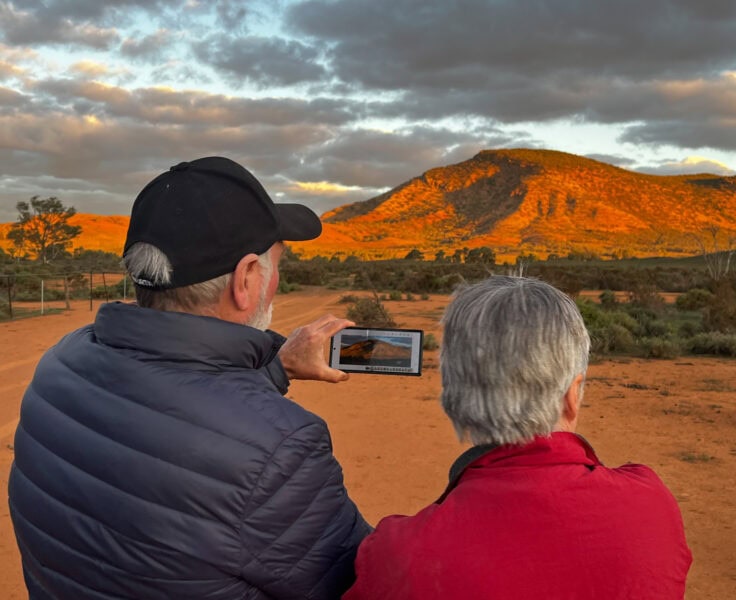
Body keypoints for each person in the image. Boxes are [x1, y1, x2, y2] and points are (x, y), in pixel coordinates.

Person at [8, 156, 371, 599]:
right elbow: (364, 582)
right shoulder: (280, 451)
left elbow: (182, 417)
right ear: (245, 280)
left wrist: (275, 369)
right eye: (276, 265)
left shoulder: (60, 365)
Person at [344, 276, 692, 599]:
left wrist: (286, 375)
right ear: (572, 395)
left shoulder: (398, 554)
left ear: (454, 395)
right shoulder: (650, 505)